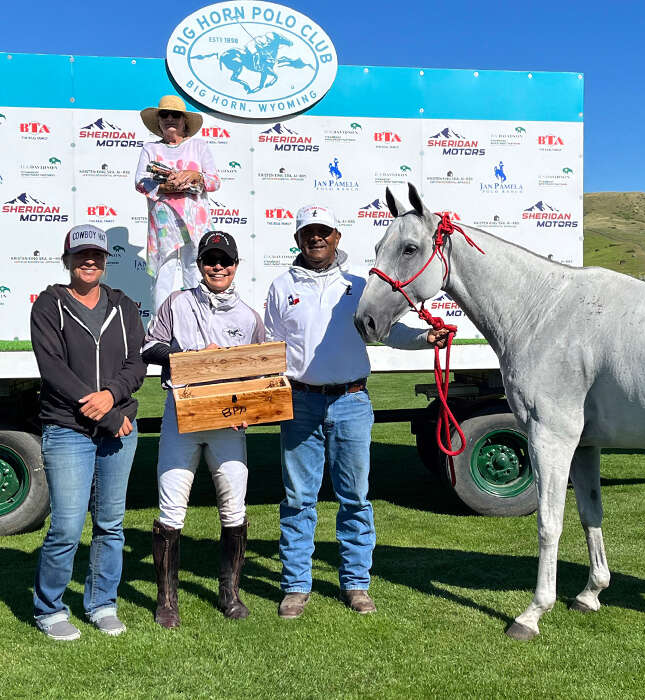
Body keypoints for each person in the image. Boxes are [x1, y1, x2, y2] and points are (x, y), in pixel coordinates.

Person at [264, 205, 448, 618]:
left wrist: (424, 339)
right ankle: (296, 586)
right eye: (308, 232)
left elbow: (386, 330)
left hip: (351, 401)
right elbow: (272, 348)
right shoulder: (281, 286)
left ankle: (356, 584)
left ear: (337, 237)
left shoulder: (357, 285)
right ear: (297, 239)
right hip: (299, 403)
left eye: (323, 232)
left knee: (355, 499)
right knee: (297, 499)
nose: (316, 238)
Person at [141, 230, 265, 628]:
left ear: (235, 266)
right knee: (171, 509)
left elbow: (258, 373)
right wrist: (193, 358)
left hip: (228, 424)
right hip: (182, 415)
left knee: (234, 508)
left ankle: (230, 593)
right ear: (199, 265)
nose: (217, 267)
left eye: (224, 261)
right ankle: (167, 600)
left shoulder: (248, 316)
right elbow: (149, 346)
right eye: (210, 260)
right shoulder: (177, 303)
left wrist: (252, 408)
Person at [29, 225, 146, 640]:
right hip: (68, 428)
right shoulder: (49, 305)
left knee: (111, 524)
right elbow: (53, 370)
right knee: (66, 524)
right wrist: (107, 414)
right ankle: (49, 609)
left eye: (96, 254)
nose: (89, 261)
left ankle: (101, 603)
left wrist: (112, 398)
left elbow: (136, 365)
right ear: (68, 260)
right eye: (81, 255)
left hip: (118, 427)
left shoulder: (125, 305)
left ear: (105, 259)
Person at [135, 94, 221, 313]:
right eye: (164, 114)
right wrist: (166, 187)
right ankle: (160, 331)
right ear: (158, 121)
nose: (170, 118)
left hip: (196, 222)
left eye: (176, 115)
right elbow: (140, 182)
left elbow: (214, 181)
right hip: (164, 225)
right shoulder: (150, 149)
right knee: (164, 272)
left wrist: (194, 175)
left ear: (184, 121)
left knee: (195, 270)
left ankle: (198, 322)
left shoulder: (199, 146)